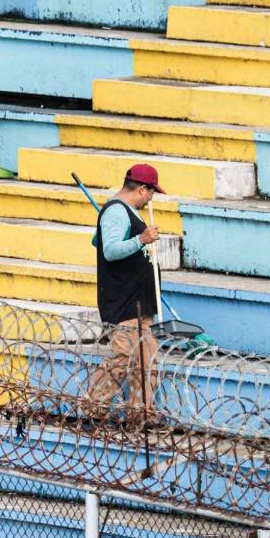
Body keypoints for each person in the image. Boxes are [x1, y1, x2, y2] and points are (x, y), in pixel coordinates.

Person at [85, 163, 164, 424]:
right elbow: (110, 250)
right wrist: (141, 240)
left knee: (146, 359)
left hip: (140, 301)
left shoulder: (128, 211)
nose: (152, 198)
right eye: (151, 192)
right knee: (123, 358)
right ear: (142, 189)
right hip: (124, 300)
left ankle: (141, 414)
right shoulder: (116, 212)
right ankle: (93, 408)